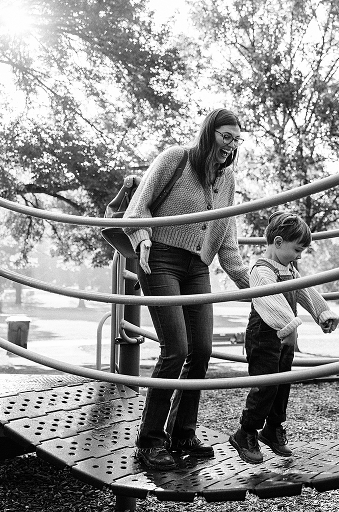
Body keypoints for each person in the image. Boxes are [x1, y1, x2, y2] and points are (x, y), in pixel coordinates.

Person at [123, 108, 250, 469]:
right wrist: (142, 237)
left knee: (202, 349)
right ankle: (149, 441)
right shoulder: (175, 159)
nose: (230, 145)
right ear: (209, 132)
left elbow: (225, 234)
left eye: (236, 140)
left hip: (198, 267)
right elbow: (138, 207)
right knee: (175, 349)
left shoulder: (227, 178)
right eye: (226, 136)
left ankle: (182, 433)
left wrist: (251, 283)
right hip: (160, 258)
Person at [229, 212, 339, 463]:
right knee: (266, 384)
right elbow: (271, 301)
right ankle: (245, 432)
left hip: (284, 335)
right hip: (264, 336)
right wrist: (289, 326)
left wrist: (322, 312)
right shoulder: (261, 270)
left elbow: (304, 290)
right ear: (278, 242)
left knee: (283, 384)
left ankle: (272, 429)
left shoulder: (288, 268)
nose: (299, 256)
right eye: (297, 249)